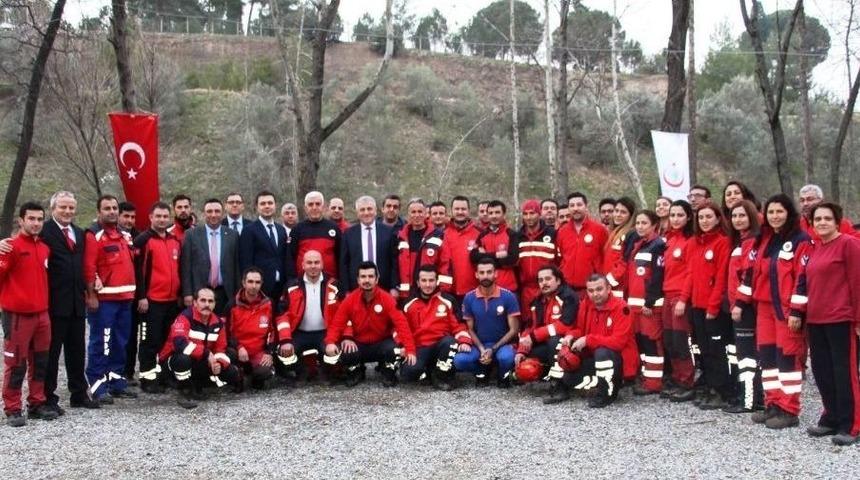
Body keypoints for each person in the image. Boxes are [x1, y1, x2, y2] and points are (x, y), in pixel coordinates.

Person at [790, 202, 860, 445]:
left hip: (841, 319)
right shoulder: (814, 248)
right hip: (816, 320)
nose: (821, 223)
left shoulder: (849, 244)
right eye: (817, 219)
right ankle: (831, 417)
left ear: (837, 221)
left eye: (827, 218)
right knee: (822, 372)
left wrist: (858, 319)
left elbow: (857, 282)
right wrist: (798, 312)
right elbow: (804, 283)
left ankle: (851, 424)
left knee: (844, 373)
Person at [738, 194, 810, 429]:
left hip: (786, 310)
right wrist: (741, 301)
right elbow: (750, 272)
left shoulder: (801, 240)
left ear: (789, 213)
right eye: (771, 212)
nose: (775, 216)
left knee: (787, 358)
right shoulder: (765, 239)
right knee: (767, 357)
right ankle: (773, 403)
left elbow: (803, 277)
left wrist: (797, 311)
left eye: (780, 211)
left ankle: (789, 409)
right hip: (764, 308)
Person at [32, 192, 99, 412]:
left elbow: (85, 265)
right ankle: (48, 397)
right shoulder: (44, 231)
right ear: (53, 209)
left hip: (76, 303)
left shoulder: (79, 233)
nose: (68, 211)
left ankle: (78, 393)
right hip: (53, 302)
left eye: (71, 207)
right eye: (63, 207)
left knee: (77, 351)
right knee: (51, 354)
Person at [0, 202, 58, 426]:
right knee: (16, 364)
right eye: (31, 219)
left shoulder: (44, 247)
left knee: (41, 361)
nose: (35, 223)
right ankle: (13, 408)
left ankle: (36, 403)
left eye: (39, 219)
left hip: (42, 315)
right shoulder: (10, 247)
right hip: (17, 316)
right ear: (21, 221)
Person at [674, 200, 732, 410]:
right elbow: (690, 275)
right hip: (696, 306)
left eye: (709, 217)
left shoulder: (723, 242)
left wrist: (713, 307)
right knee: (703, 350)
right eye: (701, 217)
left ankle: (720, 390)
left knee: (716, 351)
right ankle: (708, 386)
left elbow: (720, 278)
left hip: (712, 309)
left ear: (718, 218)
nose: (705, 221)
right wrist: (683, 299)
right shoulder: (694, 243)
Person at [324, 262, 416, 387]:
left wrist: (410, 350)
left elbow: (402, 325)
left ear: (377, 279)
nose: (367, 280)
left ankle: (387, 371)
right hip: (359, 343)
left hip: (381, 342)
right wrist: (330, 342)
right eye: (363, 277)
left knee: (394, 350)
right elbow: (337, 324)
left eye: (370, 276)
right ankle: (356, 371)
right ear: (358, 280)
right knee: (346, 351)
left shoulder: (387, 299)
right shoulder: (349, 300)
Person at [551, 274, 636, 408]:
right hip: (593, 357)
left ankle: (607, 394)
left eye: (599, 289)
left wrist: (588, 340)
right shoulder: (586, 304)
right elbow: (580, 329)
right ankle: (560, 385)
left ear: (608, 289)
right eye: (591, 291)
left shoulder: (621, 308)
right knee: (568, 376)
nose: (595, 294)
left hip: (618, 361)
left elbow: (618, 342)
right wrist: (570, 336)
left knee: (602, 352)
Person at [84, 195, 137, 403]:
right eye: (107, 208)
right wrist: (91, 295)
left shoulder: (124, 235)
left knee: (120, 343)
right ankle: (97, 384)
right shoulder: (93, 235)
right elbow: (88, 267)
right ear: (99, 212)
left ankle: (116, 381)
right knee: (101, 343)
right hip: (104, 301)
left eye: (114, 207)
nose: (112, 211)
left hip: (125, 299)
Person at [159, 287, 240, 409]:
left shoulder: (218, 323)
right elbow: (179, 344)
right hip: (173, 362)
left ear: (214, 304)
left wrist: (219, 363)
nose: (207, 304)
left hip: (200, 360)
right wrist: (206, 354)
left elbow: (220, 349)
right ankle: (184, 389)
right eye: (203, 300)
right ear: (195, 303)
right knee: (183, 359)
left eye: (210, 301)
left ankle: (200, 384)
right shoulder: (184, 317)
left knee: (231, 370)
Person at [133, 202, 182, 394]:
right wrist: (142, 296)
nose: (162, 219)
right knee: (149, 341)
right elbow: (138, 271)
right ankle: (147, 378)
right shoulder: (143, 241)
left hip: (171, 301)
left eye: (165, 216)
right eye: (158, 216)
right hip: (151, 301)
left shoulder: (175, 241)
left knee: (167, 341)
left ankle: (164, 376)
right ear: (151, 218)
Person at [400, 266, 473, 390]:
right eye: (424, 281)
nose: (428, 285)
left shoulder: (448, 300)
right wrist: (404, 346)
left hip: (441, 346)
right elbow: (400, 329)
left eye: (431, 280)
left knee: (450, 342)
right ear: (418, 282)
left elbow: (459, 326)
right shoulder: (408, 303)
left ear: (437, 281)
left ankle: (440, 376)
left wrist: (464, 341)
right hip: (419, 347)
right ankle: (428, 371)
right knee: (408, 374)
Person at [453, 257, 520, 388]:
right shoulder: (469, 297)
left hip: (502, 345)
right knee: (459, 361)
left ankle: (503, 376)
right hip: (480, 345)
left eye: (489, 272)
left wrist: (493, 349)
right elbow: (470, 329)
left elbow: (514, 329)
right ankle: (481, 374)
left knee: (506, 358)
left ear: (496, 274)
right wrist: (483, 349)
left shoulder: (508, 296)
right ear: (476, 275)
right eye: (482, 273)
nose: (486, 276)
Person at [277, 251, 343, 381]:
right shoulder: (291, 286)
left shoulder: (334, 285)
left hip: (326, 333)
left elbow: (342, 315)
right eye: (309, 263)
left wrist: (334, 340)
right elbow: (282, 315)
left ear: (322, 264)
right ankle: (301, 370)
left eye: (316, 262)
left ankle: (325, 371)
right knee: (284, 354)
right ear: (303, 265)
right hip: (300, 333)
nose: (313, 266)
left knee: (334, 353)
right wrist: (285, 340)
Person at [517, 265, 579, 403]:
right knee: (527, 354)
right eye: (540, 280)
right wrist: (521, 349)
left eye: (548, 279)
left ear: (558, 281)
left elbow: (565, 325)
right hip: (548, 341)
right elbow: (530, 326)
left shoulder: (569, 297)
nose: (544, 283)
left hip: (572, 340)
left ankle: (561, 386)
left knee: (554, 341)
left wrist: (534, 336)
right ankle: (546, 376)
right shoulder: (538, 300)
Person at [622, 210, 666, 396]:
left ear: (654, 225)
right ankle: (645, 377)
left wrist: (650, 302)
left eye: (644, 223)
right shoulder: (638, 245)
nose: (639, 226)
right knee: (640, 342)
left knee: (651, 343)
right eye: (638, 223)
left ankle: (654, 383)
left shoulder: (658, 245)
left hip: (649, 307)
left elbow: (657, 276)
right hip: (635, 306)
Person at [726, 200, 762, 413]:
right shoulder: (739, 241)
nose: (738, 220)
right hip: (736, 306)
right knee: (740, 354)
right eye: (735, 216)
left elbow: (749, 276)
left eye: (742, 215)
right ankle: (746, 395)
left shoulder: (752, 242)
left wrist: (740, 303)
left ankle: (750, 400)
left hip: (745, 308)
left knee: (747, 356)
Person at [662, 200, 697, 402]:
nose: (675, 219)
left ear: (688, 217)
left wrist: (683, 299)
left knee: (682, 340)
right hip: (666, 296)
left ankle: (687, 381)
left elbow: (691, 273)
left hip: (680, 297)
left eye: (680, 215)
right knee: (670, 340)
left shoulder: (689, 241)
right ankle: (677, 378)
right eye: (672, 215)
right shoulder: (667, 239)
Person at [182, 199, 240, 316]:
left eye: (217, 211)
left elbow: (236, 266)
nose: (213, 215)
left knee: (224, 327)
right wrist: (187, 292)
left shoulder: (232, 235)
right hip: (200, 292)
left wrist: (238, 293)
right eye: (209, 211)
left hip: (225, 293)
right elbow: (186, 266)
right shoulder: (191, 234)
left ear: (222, 213)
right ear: (204, 213)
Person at [239, 191, 294, 302]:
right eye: (263, 204)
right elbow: (246, 261)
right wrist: (250, 285)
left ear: (275, 205)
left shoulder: (281, 230)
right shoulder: (249, 230)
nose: (267, 206)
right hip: (260, 287)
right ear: (257, 207)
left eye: (270, 203)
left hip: (281, 287)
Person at [226, 268, 275, 391]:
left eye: (257, 282)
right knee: (228, 357)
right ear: (243, 283)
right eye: (250, 282)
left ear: (261, 284)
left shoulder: (268, 304)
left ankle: (254, 377)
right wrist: (239, 347)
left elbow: (273, 331)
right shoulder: (232, 305)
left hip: (258, 351)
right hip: (238, 350)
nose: (254, 286)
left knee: (265, 371)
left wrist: (269, 353)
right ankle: (241, 375)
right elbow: (226, 332)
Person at [340, 196, 398, 292]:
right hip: (356, 288)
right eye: (362, 210)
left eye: (369, 209)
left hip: (383, 287)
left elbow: (394, 261)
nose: (366, 213)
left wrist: (393, 286)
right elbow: (344, 264)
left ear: (375, 211)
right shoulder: (348, 234)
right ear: (357, 213)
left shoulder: (388, 232)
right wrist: (346, 290)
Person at [555, 192, 609, 295]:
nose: (575, 208)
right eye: (572, 205)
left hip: (592, 289)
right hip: (567, 289)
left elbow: (606, 257)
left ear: (585, 207)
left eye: (579, 205)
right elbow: (561, 258)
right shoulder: (562, 232)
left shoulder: (599, 230)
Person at [516, 199, 556, 324]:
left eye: (532, 213)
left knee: (546, 321)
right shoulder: (518, 236)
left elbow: (558, 261)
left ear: (539, 214)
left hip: (547, 288)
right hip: (526, 290)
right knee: (528, 322)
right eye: (525, 214)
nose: (529, 217)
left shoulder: (553, 234)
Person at [396, 198, 446, 299]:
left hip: (430, 291)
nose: (417, 215)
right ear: (408, 214)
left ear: (426, 214)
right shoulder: (400, 236)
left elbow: (444, 263)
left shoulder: (437, 235)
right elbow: (395, 266)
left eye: (420, 211)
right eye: (413, 212)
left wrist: (442, 289)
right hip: (406, 293)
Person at [439, 196, 482, 304]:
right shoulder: (443, 234)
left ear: (468, 211)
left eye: (463, 209)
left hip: (475, 292)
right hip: (449, 292)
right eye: (457, 209)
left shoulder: (479, 234)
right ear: (451, 211)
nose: (460, 212)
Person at [290, 191, 341, 279]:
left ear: (324, 207)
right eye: (310, 204)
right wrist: (291, 281)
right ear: (305, 208)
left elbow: (340, 258)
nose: (314, 207)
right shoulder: (297, 229)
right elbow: (290, 259)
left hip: (329, 283)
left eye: (318, 204)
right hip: (303, 282)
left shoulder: (334, 228)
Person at [471, 200, 519, 293]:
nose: (494, 216)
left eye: (497, 212)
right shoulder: (483, 235)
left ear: (504, 214)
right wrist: (497, 255)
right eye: (491, 213)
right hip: (487, 288)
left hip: (508, 288)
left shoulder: (512, 234)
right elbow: (473, 257)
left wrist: (485, 257)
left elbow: (512, 259)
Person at [118, 200, 139, 383]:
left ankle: (129, 373)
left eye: (132, 217)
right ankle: (116, 374)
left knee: (132, 337)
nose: (129, 220)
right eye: (126, 216)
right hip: (116, 296)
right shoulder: (110, 235)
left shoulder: (139, 237)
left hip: (137, 296)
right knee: (119, 337)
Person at [604, 197, 637, 297]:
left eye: (623, 212)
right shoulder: (614, 233)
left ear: (630, 216)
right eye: (616, 211)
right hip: (610, 287)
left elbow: (625, 263)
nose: (618, 215)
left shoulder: (631, 234)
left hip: (620, 288)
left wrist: (608, 281)